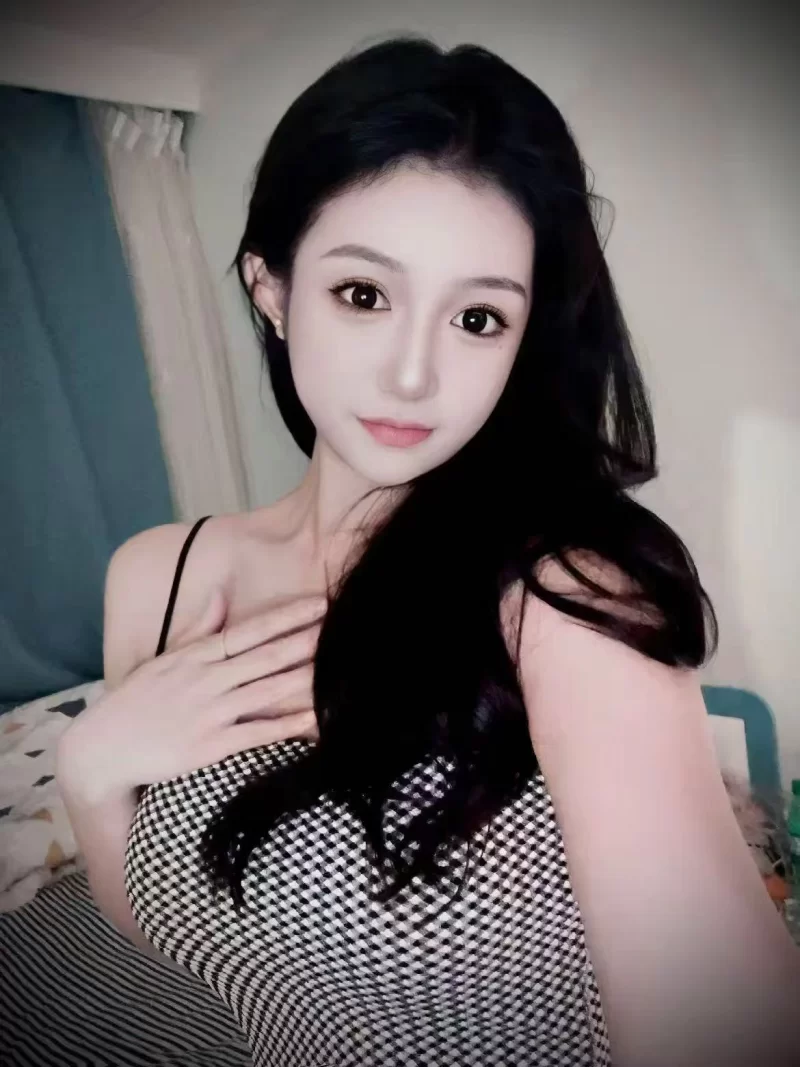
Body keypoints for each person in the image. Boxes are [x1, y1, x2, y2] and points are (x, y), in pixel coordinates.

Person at [56, 32, 800, 1067]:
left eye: (478, 317)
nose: (413, 375)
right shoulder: (157, 575)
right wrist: (90, 774)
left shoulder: (563, 593)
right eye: (364, 294)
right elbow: (177, 934)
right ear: (270, 287)